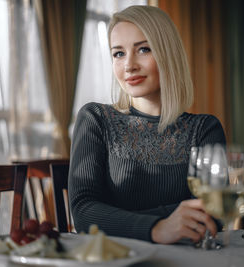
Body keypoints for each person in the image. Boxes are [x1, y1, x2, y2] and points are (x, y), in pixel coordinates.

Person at [68, 5, 226, 244]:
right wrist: (157, 228)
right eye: (118, 53)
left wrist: (117, 220)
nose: (129, 65)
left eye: (143, 49)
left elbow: (211, 214)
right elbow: (83, 212)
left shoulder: (205, 129)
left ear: (167, 54)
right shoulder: (95, 119)